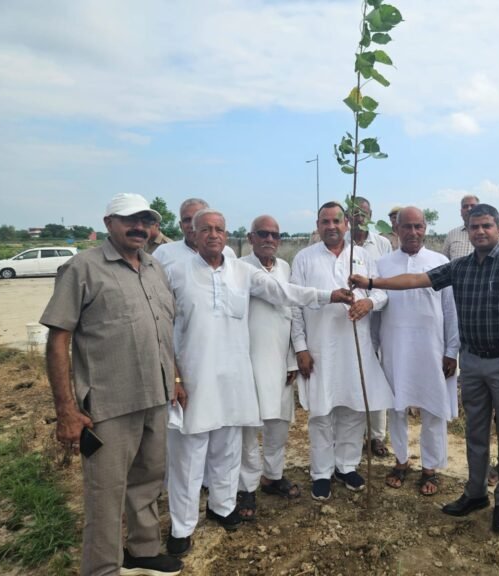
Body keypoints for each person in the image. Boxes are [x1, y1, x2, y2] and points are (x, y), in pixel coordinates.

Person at [164, 209, 352, 556]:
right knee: (189, 456)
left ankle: (222, 508)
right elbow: (163, 331)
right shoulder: (174, 274)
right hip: (194, 377)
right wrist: (174, 375)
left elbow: (286, 293)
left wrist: (329, 296)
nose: (213, 235)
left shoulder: (242, 272)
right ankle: (182, 527)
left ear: (226, 234)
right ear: (192, 232)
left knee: (228, 448)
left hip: (235, 377)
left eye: (219, 229)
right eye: (205, 229)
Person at [351, 203, 499, 534]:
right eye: (474, 227)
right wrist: (369, 281)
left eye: (486, 226)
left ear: (497, 229)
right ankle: (476, 493)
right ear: (466, 231)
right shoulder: (459, 267)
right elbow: (414, 280)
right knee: (475, 432)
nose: (480, 232)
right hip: (469, 361)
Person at [41, 193, 182, 576]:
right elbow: (58, 341)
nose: (139, 227)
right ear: (108, 223)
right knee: (105, 493)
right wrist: (66, 410)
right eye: (128, 220)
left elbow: (163, 332)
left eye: (145, 220)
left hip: (155, 396)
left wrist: (176, 379)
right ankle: (102, 568)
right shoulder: (82, 268)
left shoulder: (154, 268)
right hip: (108, 405)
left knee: (149, 480)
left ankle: (143, 549)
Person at [291, 201, 395, 501]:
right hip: (320, 348)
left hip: (356, 348)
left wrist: (368, 303)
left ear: (347, 224)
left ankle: (346, 465)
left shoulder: (361, 257)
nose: (332, 226)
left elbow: (382, 292)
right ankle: (321, 472)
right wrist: (301, 348)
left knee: (352, 409)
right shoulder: (304, 258)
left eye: (337, 221)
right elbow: (295, 304)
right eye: (325, 221)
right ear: (318, 225)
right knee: (321, 412)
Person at [375, 207, 459, 496]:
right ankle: (401, 461)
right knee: (396, 408)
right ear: (396, 229)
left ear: (426, 229)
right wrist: (374, 349)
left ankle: (430, 468)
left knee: (433, 409)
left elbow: (450, 310)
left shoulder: (440, 261)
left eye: (418, 227)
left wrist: (451, 350)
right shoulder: (382, 264)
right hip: (395, 348)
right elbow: (376, 309)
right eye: (407, 227)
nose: (413, 232)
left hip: (432, 349)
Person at [240, 215, 302, 501]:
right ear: (251, 238)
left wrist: (291, 359)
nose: (269, 240)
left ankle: (273, 476)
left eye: (275, 235)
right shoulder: (239, 269)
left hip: (280, 360)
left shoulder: (285, 267)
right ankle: (246, 487)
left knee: (279, 424)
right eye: (262, 234)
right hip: (249, 362)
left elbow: (289, 313)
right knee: (249, 429)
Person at [345, 196, 393, 458]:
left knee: (377, 378)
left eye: (363, 212)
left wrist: (371, 302)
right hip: (349, 322)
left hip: (376, 317)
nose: (358, 217)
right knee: (354, 377)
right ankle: (354, 436)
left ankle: (377, 436)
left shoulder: (381, 243)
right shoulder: (341, 243)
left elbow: (385, 283)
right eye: (353, 212)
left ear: (370, 214)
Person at [152, 197, 236, 269]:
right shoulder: (163, 253)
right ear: (181, 226)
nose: (193, 224)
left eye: (198, 219)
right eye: (187, 220)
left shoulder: (227, 253)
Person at [441, 195, 479, 261]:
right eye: (465, 206)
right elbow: (444, 261)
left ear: (480, 210)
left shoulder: (492, 234)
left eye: (473, 206)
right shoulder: (452, 234)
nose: (469, 209)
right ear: (461, 212)